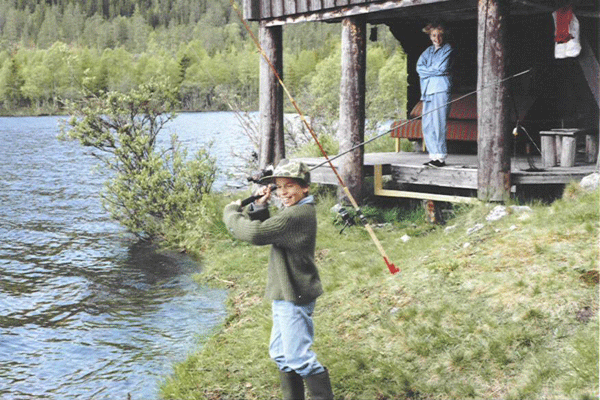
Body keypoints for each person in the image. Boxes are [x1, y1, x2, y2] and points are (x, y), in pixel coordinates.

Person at [222, 159, 334, 400]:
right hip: (286, 292)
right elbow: (271, 231)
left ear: (305, 188)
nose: (282, 192)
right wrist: (261, 208)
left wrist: (231, 212)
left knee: (298, 357)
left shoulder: (297, 214)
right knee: (281, 355)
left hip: (294, 294)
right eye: (279, 187)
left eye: (290, 186)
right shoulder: (294, 211)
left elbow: (255, 234)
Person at [416, 21, 454, 168]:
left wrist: (429, 71)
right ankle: (433, 156)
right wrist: (434, 71)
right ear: (430, 36)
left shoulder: (447, 49)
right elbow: (419, 68)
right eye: (433, 35)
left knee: (438, 123)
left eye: (439, 35)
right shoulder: (428, 51)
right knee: (427, 124)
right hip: (428, 90)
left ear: (443, 36)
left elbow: (442, 68)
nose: (436, 38)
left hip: (441, 89)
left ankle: (441, 157)